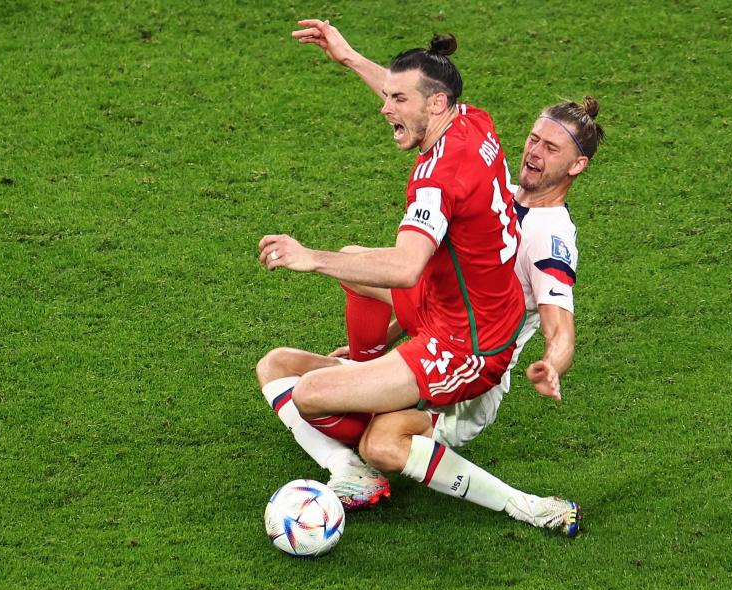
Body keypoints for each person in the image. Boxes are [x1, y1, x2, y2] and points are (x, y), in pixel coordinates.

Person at [256, 20, 604, 538]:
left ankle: (523, 504)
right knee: (280, 360)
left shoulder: (544, 234)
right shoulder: (475, 125)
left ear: (577, 166)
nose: (533, 151)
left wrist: (553, 363)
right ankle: (368, 391)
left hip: (470, 350)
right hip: (444, 308)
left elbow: (553, 317)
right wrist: (349, 58)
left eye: (550, 149)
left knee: (328, 407)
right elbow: (416, 100)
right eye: (533, 138)